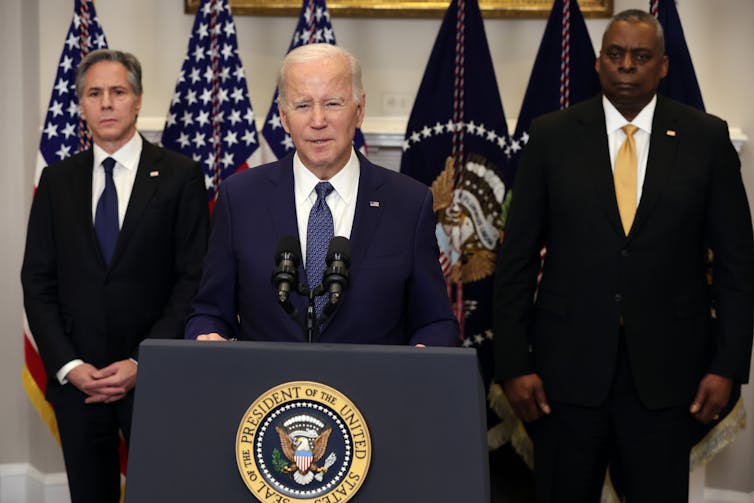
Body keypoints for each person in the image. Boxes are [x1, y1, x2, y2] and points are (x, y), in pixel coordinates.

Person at [493, 9, 753, 502]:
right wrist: (512, 363)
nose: (627, 66)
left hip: (667, 374)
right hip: (562, 376)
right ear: (598, 64)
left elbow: (738, 265)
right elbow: (516, 259)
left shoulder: (705, 138)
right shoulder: (552, 135)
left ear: (663, 66)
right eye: (615, 55)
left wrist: (728, 366)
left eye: (640, 56)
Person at [21, 49, 209, 503]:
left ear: (138, 100)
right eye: (94, 93)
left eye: (118, 92)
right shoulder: (57, 181)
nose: (106, 103)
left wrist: (142, 362)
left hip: (153, 375)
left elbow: (193, 280)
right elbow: (38, 283)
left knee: (162, 491)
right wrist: (70, 366)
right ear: (81, 105)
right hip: (78, 380)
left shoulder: (181, 176)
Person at [185, 43, 457, 346]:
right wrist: (207, 335)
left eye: (332, 104)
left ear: (359, 110)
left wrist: (425, 353)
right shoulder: (240, 199)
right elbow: (209, 310)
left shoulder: (408, 203)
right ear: (284, 117)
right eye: (302, 105)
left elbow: (436, 321)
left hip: (371, 390)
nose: (317, 121)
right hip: (269, 389)